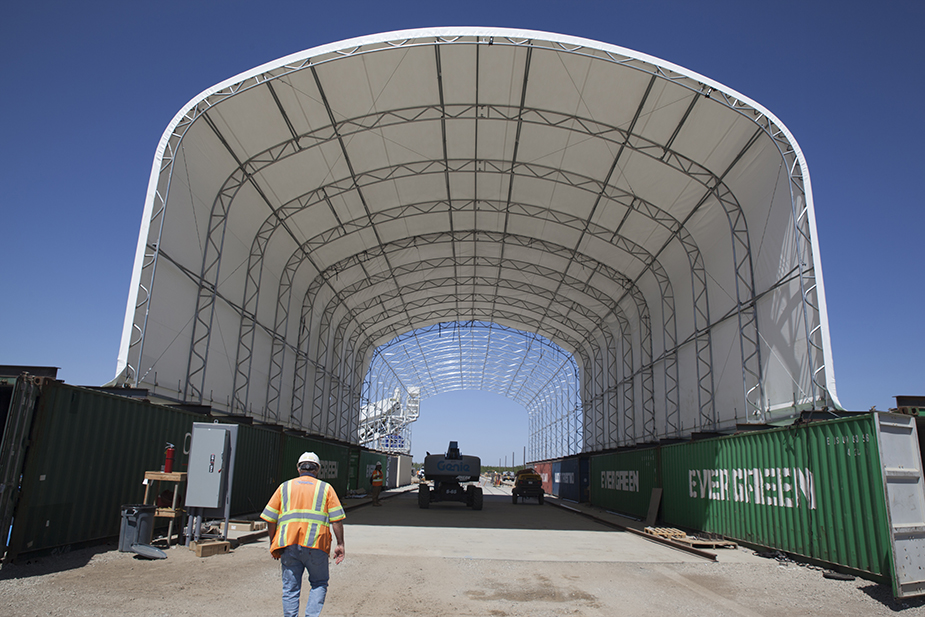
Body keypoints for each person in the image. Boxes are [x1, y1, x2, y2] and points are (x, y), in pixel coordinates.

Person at [261, 452, 346, 617]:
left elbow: (270, 518)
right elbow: (337, 520)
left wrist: (273, 542)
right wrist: (340, 544)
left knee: (290, 588)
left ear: (299, 468)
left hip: (289, 544)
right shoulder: (326, 488)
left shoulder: (284, 487)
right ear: (317, 470)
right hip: (317, 545)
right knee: (319, 583)